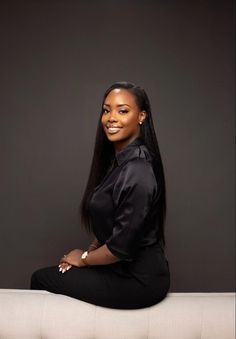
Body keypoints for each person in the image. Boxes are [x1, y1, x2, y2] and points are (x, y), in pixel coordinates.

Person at [30, 81, 170, 309]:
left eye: (123, 110)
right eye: (106, 110)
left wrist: (84, 259)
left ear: (141, 116)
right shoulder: (120, 164)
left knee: (41, 279)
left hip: (140, 281)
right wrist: (91, 252)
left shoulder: (137, 170)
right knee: (52, 278)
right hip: (119, 269)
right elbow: (112, 222)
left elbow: (120, 249)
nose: (111, 118)